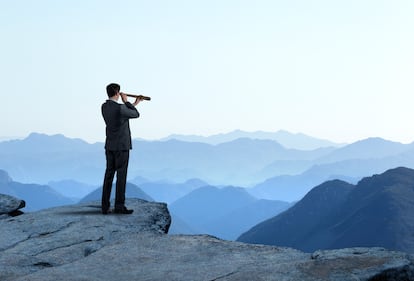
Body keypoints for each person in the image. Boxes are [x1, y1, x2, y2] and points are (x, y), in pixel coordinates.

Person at [101, 83, 142, 214]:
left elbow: (123, 113)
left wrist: (133, 103)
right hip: (122, 147)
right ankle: (119, 206)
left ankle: (105, 206)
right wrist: (127, 101)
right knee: (121, 176)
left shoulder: (104, 107)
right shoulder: (121, 108)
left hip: (110, 145)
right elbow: (135, 114)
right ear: (118, 93)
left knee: (109, 175)